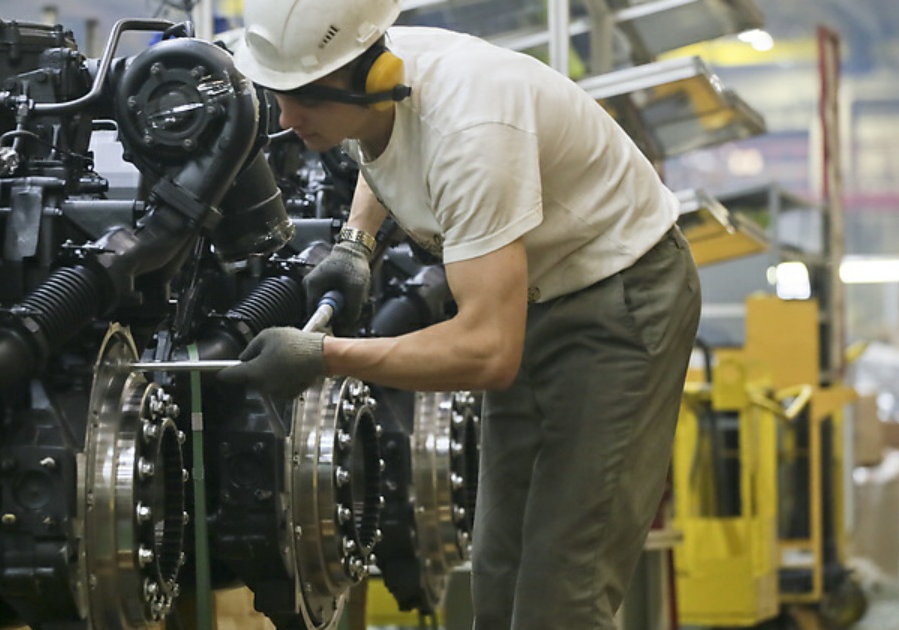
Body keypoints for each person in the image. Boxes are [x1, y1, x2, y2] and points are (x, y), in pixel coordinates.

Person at [218, 0, 702, 627]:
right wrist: (355, 242)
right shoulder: (381, 79)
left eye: (304, 96)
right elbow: (384, 144)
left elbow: (487, 351)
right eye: (277, 92)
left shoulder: (474, 132)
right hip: (537, 298)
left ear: (370, 78)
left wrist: (323, 358)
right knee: (499, 574)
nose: (287, 117)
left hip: (621, 300)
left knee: (563, 588)